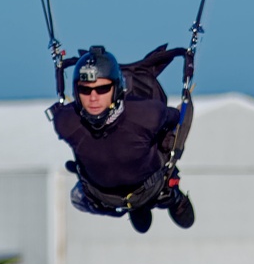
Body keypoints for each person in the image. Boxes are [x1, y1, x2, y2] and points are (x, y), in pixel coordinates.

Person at [49, 45, 195, 233]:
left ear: (116, 89)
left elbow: (177, 119)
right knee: (76, 196)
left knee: (163, 146)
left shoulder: (146, 115)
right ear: (76, 93)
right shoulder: (66, 122)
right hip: (102, 196)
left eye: (102, 89)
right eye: (85, 90)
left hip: (151, 184)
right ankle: (137, 206)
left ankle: (171, 196)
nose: (93, 98)